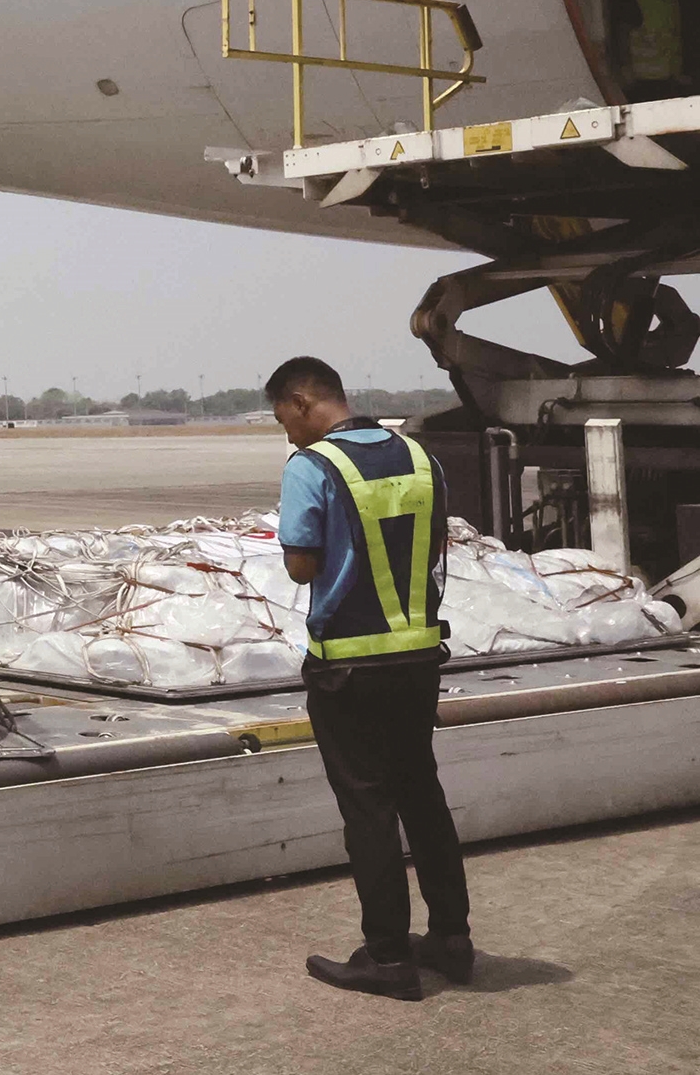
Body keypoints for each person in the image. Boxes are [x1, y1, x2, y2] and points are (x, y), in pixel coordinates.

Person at [271, 355, 473, 999]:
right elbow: (434, 546)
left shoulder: (312, 466)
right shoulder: (420, 457)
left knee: (369, 808)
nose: (287, 433)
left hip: (348, 666)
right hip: (419, 657)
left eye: (283, 419)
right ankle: (452, 939)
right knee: (422, 794)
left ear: (303, 402)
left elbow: (301, 566)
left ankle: (386, 957)